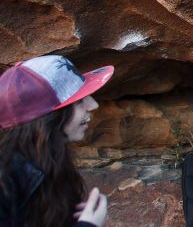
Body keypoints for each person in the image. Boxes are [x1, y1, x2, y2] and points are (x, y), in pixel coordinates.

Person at [0, 55, 115, 227]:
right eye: (79, 101)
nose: (94, 105)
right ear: (47, 119)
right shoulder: (4, 181)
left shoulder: (48, 161)